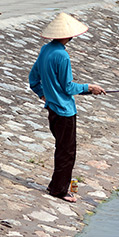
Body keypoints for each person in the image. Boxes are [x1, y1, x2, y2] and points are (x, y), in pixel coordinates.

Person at [29, 12, 105, 203]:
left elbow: (33, 79)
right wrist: (90, 88)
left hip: (52, 109)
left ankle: (56, 185)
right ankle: (60, 190)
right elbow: (68, 87)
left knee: (61, 148)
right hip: (64, 111)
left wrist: (43, 94)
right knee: (67, 151)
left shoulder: (45, 50)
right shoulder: (62, 56)